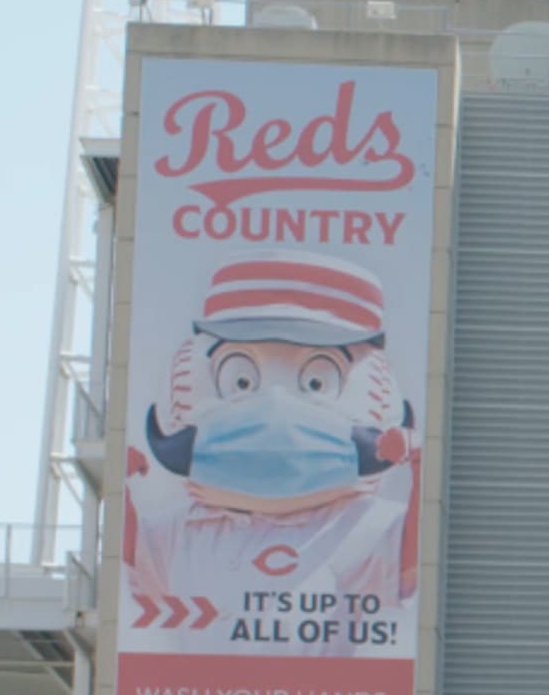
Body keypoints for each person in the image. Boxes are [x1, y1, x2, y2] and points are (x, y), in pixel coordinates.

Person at [125, 252, 419, 652]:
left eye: (318, 381)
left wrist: (424, 478)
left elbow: (415, 575)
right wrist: (118, 492)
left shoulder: (372, 524)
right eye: (241, 379)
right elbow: (129, 580)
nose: (276, 406)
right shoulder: (179, 529)